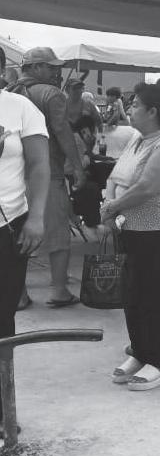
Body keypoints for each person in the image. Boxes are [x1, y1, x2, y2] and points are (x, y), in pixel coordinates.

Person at [101, 83, 160, 390]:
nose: (130, 109)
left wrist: (113, 207)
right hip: (131, 229)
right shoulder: (138, 139)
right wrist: (110, 203)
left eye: (136, 105)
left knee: (152, 297)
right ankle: (139, 352)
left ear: (153, 111)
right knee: (132, 296)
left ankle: (159, 362)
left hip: (159, 232)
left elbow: (147, 187)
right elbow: (116, 176)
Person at [9, 47, 85, 307]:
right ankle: (60, 291)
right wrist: (77, 167)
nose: (56, 72)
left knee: (17, 235)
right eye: (51, 67)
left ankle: (19, 294)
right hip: (46, 173)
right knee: (58, 233)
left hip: (13, 176)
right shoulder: (52, 94)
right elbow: (62, 131)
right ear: (35, 67)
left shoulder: (9, 92)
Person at [0, 46, 50, 437]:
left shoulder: (20, 108)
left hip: (9, 226)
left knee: (2, 318)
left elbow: (39, 165)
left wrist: (36, 217)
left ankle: (3, 409)